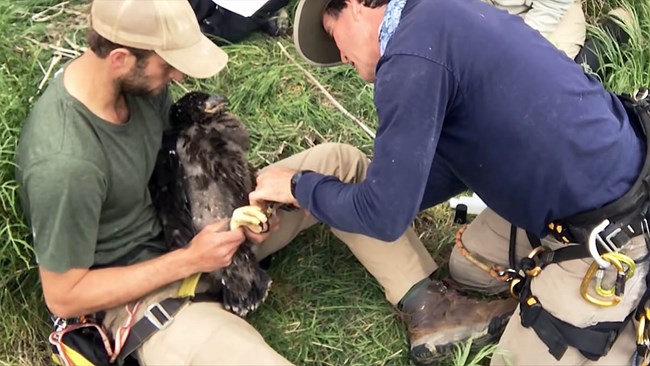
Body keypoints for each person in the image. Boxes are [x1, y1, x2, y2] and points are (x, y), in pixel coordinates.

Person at [15, 0, 516, 365]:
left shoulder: (138, 86)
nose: (179, 78)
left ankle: (430, 310)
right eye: (169, 65)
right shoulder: (65, 163)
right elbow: (65, 295)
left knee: (335, 162)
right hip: (146, 296)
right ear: (121, 58)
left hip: (196, 233)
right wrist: (192, 260)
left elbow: (174, 171)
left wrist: (234, 209)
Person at [250, 0, 650, 365]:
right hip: (582, 178)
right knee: (467, 267)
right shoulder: (436, 16)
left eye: (333, 33)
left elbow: (385, 216)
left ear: (355, 5)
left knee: (510, 360)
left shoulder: (409, 56)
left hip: (614, 227)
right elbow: (443, 167)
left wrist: (298, 186)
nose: (339, 55)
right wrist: (351, 197)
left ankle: (622, 317)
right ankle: (551, 282)